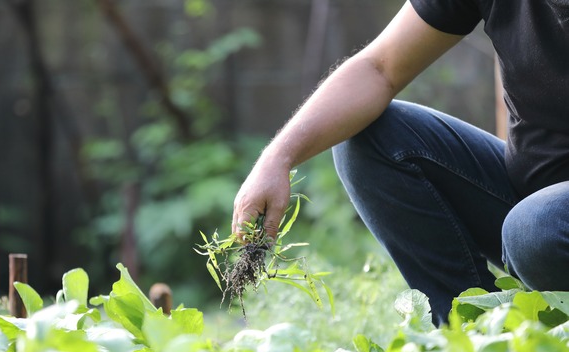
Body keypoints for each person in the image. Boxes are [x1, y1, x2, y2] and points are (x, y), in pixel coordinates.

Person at [231, 0, 569, 324]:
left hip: (544, 225)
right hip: (534, 203)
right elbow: (379, 68)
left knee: (534, 228)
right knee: (370, 137)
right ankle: (475, 337)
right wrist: (278, 158)